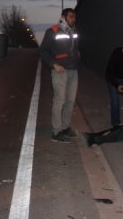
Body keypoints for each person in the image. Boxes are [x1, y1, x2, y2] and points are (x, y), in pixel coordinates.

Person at [39, 8, 80, 143]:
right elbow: (43, 50)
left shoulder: (74, 30)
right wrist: (53, 64)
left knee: (70, 101)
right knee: (59, 100)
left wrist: (77, 53)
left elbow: (73, 46)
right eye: (71, 17)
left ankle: (65, 127)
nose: (73, 19)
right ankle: (56, 132)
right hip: (60, 71)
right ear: (63, 17)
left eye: (74, 17)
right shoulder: (53, 31)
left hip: (73, 70)